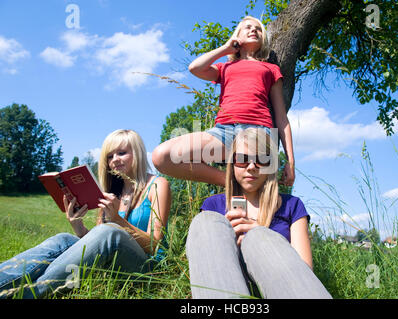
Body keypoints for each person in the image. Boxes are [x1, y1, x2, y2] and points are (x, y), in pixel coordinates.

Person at [0, 129, 171, 299]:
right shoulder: (110, 193)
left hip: (147, 270)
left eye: (121, 153)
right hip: (112, 266)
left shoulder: (157, 185)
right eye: (109, 156)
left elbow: (154, 245)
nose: (115, 160)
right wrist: (78, 225)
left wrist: (118, 221)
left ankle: (28, 295)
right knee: (64, 239)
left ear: (138, 153)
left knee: (109, 231)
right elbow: (98, 245)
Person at [186, 128, 331, 299]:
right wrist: (226, 239)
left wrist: (260, 234)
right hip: (227, 283)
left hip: (283, 286)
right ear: (232, 164)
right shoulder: (213, 205)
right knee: (206, 222)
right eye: (242, 160)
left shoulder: (292, 206)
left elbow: (305, 272)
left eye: (261, 160)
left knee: (258, 237)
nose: (251, 167)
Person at [152, 16, 295, 187]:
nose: (253, 30)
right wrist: (225, 49)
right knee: (162, 156)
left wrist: (290, 161)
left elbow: (281, 117)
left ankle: (247, 187)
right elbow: (194, 68)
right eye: (248, 27)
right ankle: (231, 182)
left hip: (257, 131)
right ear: (237, 36)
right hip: (223, 132)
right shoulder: (225, 67)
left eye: (258, 29)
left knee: (255, 191)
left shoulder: (270, 69)